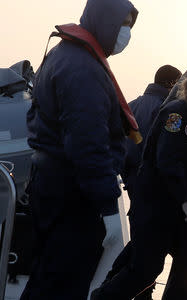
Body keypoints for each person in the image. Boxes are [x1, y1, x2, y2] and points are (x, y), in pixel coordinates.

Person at [21, 0, 139, 299]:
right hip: (72, 194)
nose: (126, 32)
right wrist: (109, 207)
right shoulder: (83, 68)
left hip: (51, 185)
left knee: (47, 277)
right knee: (65, 284)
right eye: (122, 24)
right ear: (105, 21)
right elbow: (88, 147)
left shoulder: (64, 54)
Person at [91, 63, 187, 300]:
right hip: (157, 204)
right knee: (146, 269)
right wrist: (186, 201)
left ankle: (104, 293)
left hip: (174, 208)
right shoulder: (177, 113)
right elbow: (167, 161)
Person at [104, 64, 182, 300]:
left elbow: (116, 140)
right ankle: (123, 291)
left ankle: (114, 284)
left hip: (131, 179)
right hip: (154, 184)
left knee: (141, 239)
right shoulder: (168, 110)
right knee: (150, 246)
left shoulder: (133, 104)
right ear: (171, 84)